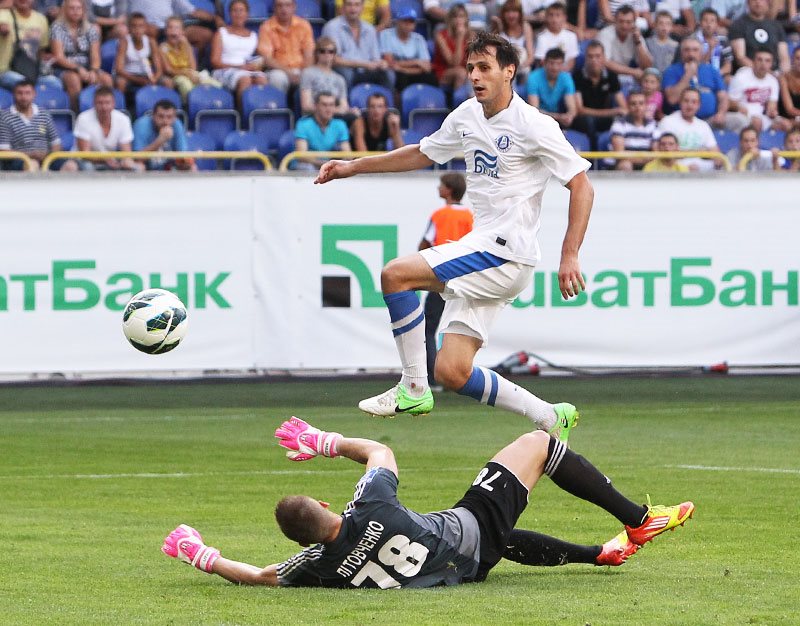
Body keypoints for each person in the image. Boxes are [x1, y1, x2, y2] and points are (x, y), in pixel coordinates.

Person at [314, 32, 593, 439]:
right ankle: (551, 416)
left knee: (395, 275)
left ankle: (413, 387)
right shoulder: (466, 115)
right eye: (471, 68)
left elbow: (581, 185)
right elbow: (421, 153)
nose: (475, 76)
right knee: (452, 371)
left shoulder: (534, 125)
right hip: (488, 250)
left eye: (485, 68)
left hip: (504, 251)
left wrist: (570, 254)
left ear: (509, 72)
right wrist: (352, 166)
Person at [162, 415, 696, 588]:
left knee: (499, 539)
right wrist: (325, 442)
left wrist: (201, 555)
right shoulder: (370, 505)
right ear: (327, 504)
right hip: (469, 532)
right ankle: (640, 520)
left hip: (462, 569)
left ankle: (601, 554)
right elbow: (380, 451)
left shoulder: (317, 566)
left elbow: (258, 576)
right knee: (539, 443)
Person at [418, 173, 472, 389]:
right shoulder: (470, 216)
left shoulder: (439, 215)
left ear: (448, 190)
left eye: (441, 185)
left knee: (428, 329)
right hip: (465, 279)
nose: (438, 188)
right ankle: (459, 376)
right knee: (460, 330)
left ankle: (433, 378)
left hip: (442, 277)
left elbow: (425, 243)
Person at [661, 35, 747, 132]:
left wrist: (721, 113)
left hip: (711, 119)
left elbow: (723, 97)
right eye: (687, 50)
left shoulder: (711, 70)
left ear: (701, 52)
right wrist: (688, 75)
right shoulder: (672, 71)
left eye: (695, 50)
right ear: (681, 52)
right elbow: (672, 99)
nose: (691, 54)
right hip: (683, 121)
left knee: (741, 121)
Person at [211, 0, 287, 106]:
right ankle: (243, 113)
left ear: (247, 14)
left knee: (262, 79)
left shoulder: (253, 36)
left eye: (241, 10)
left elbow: (260, 58)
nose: (238, 14)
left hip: (246, 69)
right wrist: (239, 67)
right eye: (235, 10)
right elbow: (215, 61)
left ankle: (261, 111)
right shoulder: (221, 33)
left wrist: (256, 65)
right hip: (224, 70)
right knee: (245, 80)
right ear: (229, 14)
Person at [50, 0, 111, 111]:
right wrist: (78, 69)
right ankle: (77, 114)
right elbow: (59, 57)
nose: (75, 11)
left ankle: (105, 112)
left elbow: (96, 55)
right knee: (73, 79)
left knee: (106, 79)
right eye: (72, 8)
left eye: (78, 8)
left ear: (83, 10)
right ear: (65, 10)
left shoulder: (91, 29)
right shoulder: (57, 28)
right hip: (65, 68)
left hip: (87, 67)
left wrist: (93, 70)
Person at [0, 79, 68, 170]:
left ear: (34, 94)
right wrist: (30, 155)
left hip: (47, 158)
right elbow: (4, 150)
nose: (24, 97)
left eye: (27, 93)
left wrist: (48, 156)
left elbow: (56, 144)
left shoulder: (44, 114)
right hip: (18, 160)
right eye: (20, 93)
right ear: (13, 95)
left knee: (70, 165)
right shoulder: (5, 117)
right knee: (32, 165)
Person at [322, 0, 391, 90]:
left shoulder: (370, 29)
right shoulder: (332, 27)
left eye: (357, 5)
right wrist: (364, 64)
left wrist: (382, 63)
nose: (353, 9)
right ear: (343, 7)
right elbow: (333, 59)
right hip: (345, 69)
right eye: (349, 5)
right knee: (346, 74)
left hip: (366, 70)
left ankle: (385, 99)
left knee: (388, 73)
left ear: (362, 7)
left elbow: (375, 58)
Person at [71, 84, 142, 171]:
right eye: (100, 103)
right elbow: (85, 154)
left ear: (113, 104)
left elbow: (126, 152)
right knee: (87, 167)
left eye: (107, 103)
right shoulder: (83, 118)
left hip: (111, 160)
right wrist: (104, 159)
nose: (104, 107)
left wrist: (127, 162)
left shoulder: (123, 119)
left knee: (137, 167)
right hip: (85, 161)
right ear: (94, 104)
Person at [572, 40, 626, 148]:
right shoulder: (577, 77)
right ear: (585, 58)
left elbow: (623, 107)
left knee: (621, 120)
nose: (594, 60)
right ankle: (594, 153)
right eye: (590, 56)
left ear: (604, 57)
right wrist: (612, 112)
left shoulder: (611, 76)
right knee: (589, 121)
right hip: (584, 119)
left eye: (597, 56)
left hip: (605, 118)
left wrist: (619, 112)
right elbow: (580, 110)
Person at [127, 0, 219, 60]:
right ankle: (154, 69)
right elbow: (124, 16)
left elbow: (192, 11)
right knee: (149, 29)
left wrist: (215, 18)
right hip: (144, 28)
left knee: (205, 35)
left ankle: (190, 69)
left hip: (169, 28)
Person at [657, 86, 721, 171]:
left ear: (699, 105)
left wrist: (715, 158)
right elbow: (664, 151)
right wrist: (699, 152)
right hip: (675, 167)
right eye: (686, 101)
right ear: (680, 102)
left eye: (694, 102)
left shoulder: (703, 125)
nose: (690, 105)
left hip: (702, 168)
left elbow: (715, 152)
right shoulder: (667, 122)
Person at [160, 16, 222, 101]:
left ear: (182, 32)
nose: (173, 30)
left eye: (177, 28)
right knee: (186, 85)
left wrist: (187, 46)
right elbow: (168, 70)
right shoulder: (163, 47)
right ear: (165, 31)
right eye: (170, 27)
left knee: (216, 85)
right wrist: (185, 73)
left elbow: (193, 67)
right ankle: (190, 105)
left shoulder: (186, 46)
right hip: (177, 76)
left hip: (190, 73)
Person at [257, 0, 315, 91]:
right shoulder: (266, 27)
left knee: (314, 76)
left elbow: (309, 54)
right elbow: (267, 59)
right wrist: (289, 72)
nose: (284, 9)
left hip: (301, 69)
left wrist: (304, 73)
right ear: (274, 8)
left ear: (294, 7)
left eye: (288, 5)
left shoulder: (304, 25)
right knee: (277, 78)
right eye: (279, 5)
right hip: (278, 70)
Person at [728, 49, 790, 132]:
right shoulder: (741, 77)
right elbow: (729, 102)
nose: (763, 64)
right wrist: (739, 107)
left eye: (767, 61)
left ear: (771, 64)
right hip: (742, 116)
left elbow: (772, 106)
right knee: (757, 122)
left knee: (786, 125)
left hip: (761, 116)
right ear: (753, 61)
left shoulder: (773, 81)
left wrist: (772, 112)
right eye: (760, 60)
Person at [0, 0, 56, 91]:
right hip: (6, 71)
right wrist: (3, 29)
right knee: (25, 86)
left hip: (32, 71)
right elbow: (3, 26)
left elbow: (41, 49)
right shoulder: (4, 14)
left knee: (55, 83)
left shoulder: (41, 19)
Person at [379, 7, 438, 93]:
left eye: (411, 22)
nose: (408, 25)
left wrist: (403, 69)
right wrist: (416, 62)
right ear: (397, 22)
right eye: (405, 21)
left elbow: (427, 67)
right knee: (399, 77)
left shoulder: (419, 39)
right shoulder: (386, 35)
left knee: (430, 77)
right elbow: (389, 62)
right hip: (396, 73)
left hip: (409, 72)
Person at [299, 36, 358, 118]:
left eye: (331, 51)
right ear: (316, 53)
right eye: (322, 51)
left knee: (356, 116)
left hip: (335, 118)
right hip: (313, 117)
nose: (327, 54)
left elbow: (344, 106)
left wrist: (350, 111)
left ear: (334, 55)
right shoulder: (307, 73)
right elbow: (306, 106)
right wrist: (330, 110)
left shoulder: (340, 79)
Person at [114, 12, 171, 96]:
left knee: (167, 82)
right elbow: (119, 69)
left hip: (145, 75)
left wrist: (155, 78)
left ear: (145, 28)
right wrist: (138, 80)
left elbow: (159, 68)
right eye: (134, 26)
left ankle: (166, 103)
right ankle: (119, 103)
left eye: (141, 26)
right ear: (129, 28)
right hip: (128, 75)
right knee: (120, 82)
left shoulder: (151, 42)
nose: (137, 29)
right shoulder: (124, 42)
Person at [597, 5, 653, 87]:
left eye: (628, 22)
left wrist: (638, 42)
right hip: (607, 76)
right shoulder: (605, 34)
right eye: (621, 21)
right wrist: (633, 72)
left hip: (627, 77)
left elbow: (647, 66)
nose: (624, 26)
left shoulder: (636, 35)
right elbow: (605, 62)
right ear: (615, 21)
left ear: (634, 23)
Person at [132, 98, 196, 170]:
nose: (165, 121)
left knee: (192, 167)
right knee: (139, 166)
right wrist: (160, 140)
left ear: (174, 118)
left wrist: (187, 161)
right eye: (161, 116)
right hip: (146, 169)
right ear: (153, 116)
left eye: (169, 117)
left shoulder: (177, 124)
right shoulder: (142, 125)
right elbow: (137, 159)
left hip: (169, 168)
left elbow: (182, 154)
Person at [294, 91, 351, 169]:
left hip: (329, 166)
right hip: (309, 166)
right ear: (316, 106)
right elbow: (302, 156)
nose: (328, 109)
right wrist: (325, 164)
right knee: (308, 168)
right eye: (324, 105)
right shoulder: (303, 124)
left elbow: (347, 154)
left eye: (331, 105)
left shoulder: (340, 124)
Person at [729, 0, 790, 73]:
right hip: (748, 71)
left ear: (768, 3)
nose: (758, 2)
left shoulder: (776, 26)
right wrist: (765, 73)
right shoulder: (738, 25)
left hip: (775, 72)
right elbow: (740, 57)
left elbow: (784, 57)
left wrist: (784, 74)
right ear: (748, 2)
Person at [526, 47, 577, 128]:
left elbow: (572, 108)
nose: (555, 68)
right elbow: (534, 110)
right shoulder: (533, 78)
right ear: (544, 63)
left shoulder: (566, 78)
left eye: (558, 64)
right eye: (551, 63)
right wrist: (558, 117)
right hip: (539, 120)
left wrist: (569, 117)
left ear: (563, 64)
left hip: (559, 119)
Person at [608, 89, 657, 170]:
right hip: (624, 164)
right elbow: (619, 154)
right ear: (628, 106)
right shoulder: (619, 124)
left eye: (641, 103)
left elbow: (656, 152)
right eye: (633, 104)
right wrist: (645, 158)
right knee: (625, 165)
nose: (637, 107)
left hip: (647, 164)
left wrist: (648, 159)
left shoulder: (652, 124)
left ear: (646, 105)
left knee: (657, 165)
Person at [431, 3, 470, 93]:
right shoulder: (441, 36)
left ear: (466, 19)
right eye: (455, 17)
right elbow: (454, 63)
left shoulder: (471, 36)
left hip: (465, 70)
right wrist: (460, 38)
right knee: (461, 73)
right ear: (450, 19)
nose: (458, 20)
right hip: (444, 71)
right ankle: (458, 101)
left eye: (461, 16)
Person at [492, 0, 534, 82]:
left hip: (522, 68)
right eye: (507, 12)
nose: (511, 15)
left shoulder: (525, 27)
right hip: (503, 68)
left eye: (514, 11)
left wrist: (519, 68)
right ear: (503, 14)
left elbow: (530, 56)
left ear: (520, 13)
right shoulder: (499, 29)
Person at [533, 2, 579, 72]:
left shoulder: (571, 36)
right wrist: (554, 71)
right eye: (551, 15)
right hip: (547, 72)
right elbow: (541, 61)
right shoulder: (541, 37)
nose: (554, 19)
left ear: (564, 18)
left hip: (565, 72)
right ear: (546, 17)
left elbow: (571, 62)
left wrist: (560, 72)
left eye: (558, 15)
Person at [695, 8, 733, 82]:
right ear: (700, 23)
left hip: (718, 75)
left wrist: (715, 75)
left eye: (712, 21)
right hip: (699, 75)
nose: (709, 24)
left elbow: (728, 66)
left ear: (717, 24)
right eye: (705, 20)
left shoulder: (723, 40)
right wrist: (710, 49)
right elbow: (698, 65)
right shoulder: (694, 40)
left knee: (730, 79)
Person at [778, 45, 800, 123]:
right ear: (792, 59)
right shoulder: (784, 78)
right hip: (786, 120)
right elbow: (789, 109)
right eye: (798, 58)